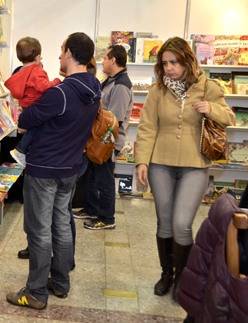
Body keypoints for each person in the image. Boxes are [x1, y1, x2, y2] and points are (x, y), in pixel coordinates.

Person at [134, 37, 234, 301]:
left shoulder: (207, 86)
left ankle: (183, 278)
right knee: (164, 222)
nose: (169, 68)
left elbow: (229, 117)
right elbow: (147, 128)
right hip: (161, 164)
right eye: (165, 63)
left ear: (187, 60)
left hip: (194, 165)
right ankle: (167, 274)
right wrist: (142, 161)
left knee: (181, 223)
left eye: (174, 62)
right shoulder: (157, 90)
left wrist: (211, 108)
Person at [6, 32, 101, 310]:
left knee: (39, 231)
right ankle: (59, 282)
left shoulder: (60, 93)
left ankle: (35, 292)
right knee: (61, 224)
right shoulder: (94, 88)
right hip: (70, 168)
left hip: (45, 168)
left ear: (70, 53)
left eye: (61, 50)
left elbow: (25, 119)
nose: (59, 56)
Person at [75, 45, 134, 230]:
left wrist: (101, 142)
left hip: (107, 142)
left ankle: (107, 219)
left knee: (105, 181)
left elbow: (113, 119)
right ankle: (92, 209)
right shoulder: (110, 81)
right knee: (91, 177)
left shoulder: (121, 85)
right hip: (98, 140)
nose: (102, 61)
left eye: (105, 58)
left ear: (113, 60)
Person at [4, 37, 61, 167]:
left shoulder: (20, 71)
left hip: (24, 105)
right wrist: (57, 81)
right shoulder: (36, 71)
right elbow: (45, 87)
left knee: (31, 130)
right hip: (34, 105)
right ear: (38, 57)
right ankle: (20, 150)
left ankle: (23, 150)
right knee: (34, 130)